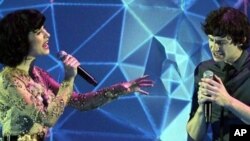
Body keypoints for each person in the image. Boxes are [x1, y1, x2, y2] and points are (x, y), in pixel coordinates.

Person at [0, 9, 154, 141]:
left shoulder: (39, 74)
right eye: (39, 32)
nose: (47, 35)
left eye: (45, 29)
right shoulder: (9, 80)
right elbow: (47, 118)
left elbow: (79, 102)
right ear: (20, 39)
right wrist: (68, 79)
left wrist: (120, 89)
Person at [186, 7, 250, 141]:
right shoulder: (204, 70)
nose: (214, 48)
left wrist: (228, 101)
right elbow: (193, 137)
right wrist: (202, 109)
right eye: (211, 40)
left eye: (221, 43)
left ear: (241, 40)